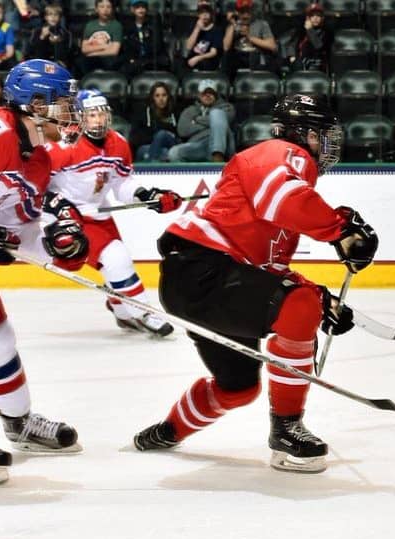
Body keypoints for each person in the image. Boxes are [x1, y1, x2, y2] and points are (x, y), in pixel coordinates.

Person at [132, 94, 379, 474]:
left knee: (238, 387)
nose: (328, 145)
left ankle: (168, 430)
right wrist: (338, 229)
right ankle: (286, 429)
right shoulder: (280, 153)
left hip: (202, 282)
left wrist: (319, 297)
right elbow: (282, 198)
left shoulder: (282, 183)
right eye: (322, 136)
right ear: (302, 134)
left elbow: (265, 266)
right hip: (203, 273)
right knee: (299, 305)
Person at [0, 59, 91, 486]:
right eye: (64, 103)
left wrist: (59, 246)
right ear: (34, 105)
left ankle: (19, 422)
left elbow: (18, 231)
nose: (72, 111)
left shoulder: (38, 161)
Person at [45, 89, 181, 337]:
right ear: (79, 117)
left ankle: (123, 314)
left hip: (97, 214)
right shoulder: (63, 147)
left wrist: (145, 195)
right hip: (68, 217)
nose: (97, 120)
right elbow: (38, 184)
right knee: (117, 260)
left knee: (113, 266)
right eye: (91, 115)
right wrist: (57, 208)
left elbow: (121, 184)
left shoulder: (118, 142)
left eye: (101, 114)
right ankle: (144, 313)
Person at [168, 78, 235, 162]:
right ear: (199, 95)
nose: (207, 95)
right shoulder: (190, 110)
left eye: (211, 93)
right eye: (204, 93)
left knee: (217, 114)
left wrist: (196, 120)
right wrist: (212, 123)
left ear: (216, 95)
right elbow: (182, 130)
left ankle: (218, 158)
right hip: (199, 146)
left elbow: (225, 120)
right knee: (173, 153)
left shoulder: (226, 107)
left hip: (223, 146)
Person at [223, 0, 278, 80]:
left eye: (247, 12)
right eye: (242, 12)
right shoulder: (233, 25)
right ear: (237, 12)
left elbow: (272, 46)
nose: (245, 15)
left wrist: (250, 37)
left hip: (255, 55)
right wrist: (232, 23)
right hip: (238, 56)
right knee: (227, 58)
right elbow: (226, 47)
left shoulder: (261, 24)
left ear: (252, 11)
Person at [130, 82, 179, 162]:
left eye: (164, 95)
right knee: (145, 151)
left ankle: (150, 167)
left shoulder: (175, 113)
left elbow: (178, 137)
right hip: (151, 147)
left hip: (171, 145)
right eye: (157, 96)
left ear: (168, 97)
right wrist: (155, 138)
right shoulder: (143, 113)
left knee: (162, 134)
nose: (161, 99)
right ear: (152, 98)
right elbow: (135, 138)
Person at [120, 0, 169, 77]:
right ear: (132, 10)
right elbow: (127, 46)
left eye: (143, 7)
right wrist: (131, 58)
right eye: (138, 7)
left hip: (151, 59)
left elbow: (157, 45)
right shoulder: (127, 26)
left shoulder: (154, 23)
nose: (141, 10)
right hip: (135, 59)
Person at [76, 0, 122, 77]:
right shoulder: (90, 25)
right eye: (102, 6)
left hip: (108, 59)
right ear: (96, 9)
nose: (105, 10)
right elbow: (84, 49)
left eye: (108, 7)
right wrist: (104, 46)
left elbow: (114, 51)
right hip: (90, 60)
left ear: (112, 9)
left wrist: (92, 53)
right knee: (79, 62)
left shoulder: (116, 25)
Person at [181, 3, 223, 74]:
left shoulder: (216, 30)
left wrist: (198, 58)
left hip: (208, 59)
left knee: (203, 63)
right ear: (198, 15)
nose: (205, 15)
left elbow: (213, 53)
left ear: (211, 15)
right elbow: (188, 47)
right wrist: (197, 28)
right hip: (193, 57)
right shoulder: (194, 27)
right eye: (202, 13)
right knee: (180, 64)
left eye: (207, 13)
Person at [27, 3, 72, 68]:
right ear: (46, 17)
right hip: (41, 65)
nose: (53, 17)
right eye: (50, 14)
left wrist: (58, 43)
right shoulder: (37, 31)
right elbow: (32, 52)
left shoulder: (65, 33)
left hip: (58, 66)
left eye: (56, 15)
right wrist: (42, 37)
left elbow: (67, 54)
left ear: (59, 17)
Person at [288, 3, 329, 73]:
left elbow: (318, 46)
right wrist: (292, 55)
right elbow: (292, 44)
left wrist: (310, 30)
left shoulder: (326, 32)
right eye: (312, 15)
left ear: (322, 18)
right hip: (301, 62)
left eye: (318, 15)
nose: (315, 18)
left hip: (317, 62)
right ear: (308, 18)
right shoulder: (301, 30)